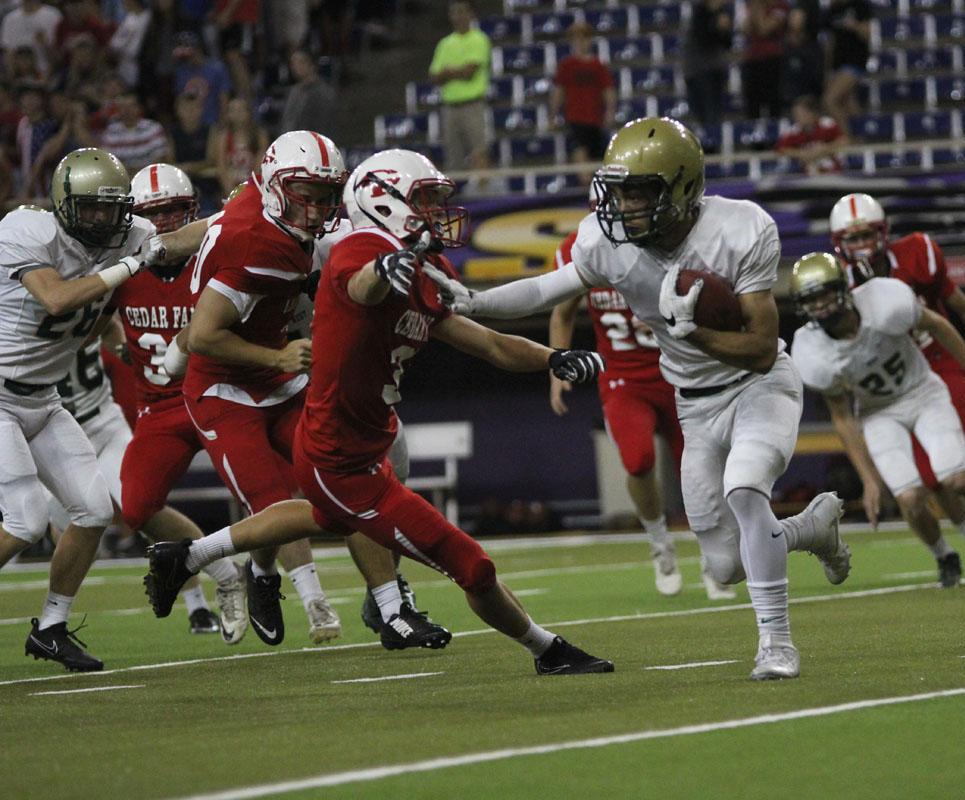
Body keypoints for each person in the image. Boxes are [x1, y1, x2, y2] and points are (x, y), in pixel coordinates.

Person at [146, 148, 614, 675]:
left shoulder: (417, 267)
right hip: (340, 456)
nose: (439, 214)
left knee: (323, 516)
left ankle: (186, 556)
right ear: (386, 203)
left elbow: (490, 344)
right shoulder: (359, 252)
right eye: (427, 202)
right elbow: (359, 284)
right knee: (472, 565)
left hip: (361, 437)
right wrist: (385, 266)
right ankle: (540, 648)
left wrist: (556, 358)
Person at [423, 117, 850, 681]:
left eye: (636, 193)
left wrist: (694, 333)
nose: (621, 207)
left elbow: (763, 350)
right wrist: (473, 303)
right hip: (693, 404)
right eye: (617, 192)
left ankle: (776, 644)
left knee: (746, 491)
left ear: (679, 189)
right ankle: (810, 529)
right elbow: (546, 289)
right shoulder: (605, 243)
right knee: (724, 565)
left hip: (759, 388)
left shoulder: (741, 229)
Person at [175, 131, 436, 649]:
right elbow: (202, 336)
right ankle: (262, 575)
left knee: (350, 476)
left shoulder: (295, 223)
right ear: (275, 187)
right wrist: (276, 354)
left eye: (325, 196)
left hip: (280, 371)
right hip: (225, 387)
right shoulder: (253, 237)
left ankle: (391, 609)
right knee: (270, 499)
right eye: (306, 195)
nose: (316, 209)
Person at [0, 147, 156, 672]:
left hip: (44, 398)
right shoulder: (27, 230)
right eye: (91, 208)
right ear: (65, 205)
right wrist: (132, 266)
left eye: (112, 208)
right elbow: (58, 300)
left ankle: (50, 627)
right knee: (25, 521)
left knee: (94, 509)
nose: (103, 219)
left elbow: (94, 316)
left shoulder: (131, 235)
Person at [790, 253, 965, 585]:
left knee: (958, 480)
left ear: (842, 289)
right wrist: (868, 480)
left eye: (824, 293)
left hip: (922, 392)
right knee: (909, 497)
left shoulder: (884, 302)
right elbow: (842, 417)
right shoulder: (811, 350)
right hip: (879, 412)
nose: (820, 305)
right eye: (811, 299)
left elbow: (939, 326)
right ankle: (943, 555)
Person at [828, 192, 965, 561]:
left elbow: (963, 310)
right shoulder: (839, 286)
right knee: (930, 474)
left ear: (884, 232)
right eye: (851, 239)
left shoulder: (917, 254)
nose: (860, 246)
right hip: (893, 379)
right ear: (838, 244)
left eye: (866, 235)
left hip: (939, 359)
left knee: (956, 452)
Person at [98, 163, 249, 640]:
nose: (163, 224)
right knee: (136, 507)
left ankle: (302, 595)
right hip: (160, 408)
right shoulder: (119, 266)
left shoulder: (215, 257)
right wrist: (121, 340)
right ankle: (225, 572)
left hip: (222, 393)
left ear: (192, 212)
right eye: (152, 214)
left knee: (268, 495)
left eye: (173, 212)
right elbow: (95, 312)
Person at [548, 223, 735, 600]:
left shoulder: (667, 237)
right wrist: (558, 366)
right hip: (624, 378)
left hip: (680, 370)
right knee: (637, 459)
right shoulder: (582, 246)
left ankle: (711, 555)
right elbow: (562, 311)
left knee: (701, 471)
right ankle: (660, 544)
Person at [428, 0, 492, 176]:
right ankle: (455, 197)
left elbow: (469, 72)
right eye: (454, 12)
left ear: (471, 14)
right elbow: (434, 77)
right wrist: (455, 71)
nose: (458, 16)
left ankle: (483, 196)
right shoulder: (444, 43)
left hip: (473, 105)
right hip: (449, 107)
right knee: (452, 157)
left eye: (462, 12)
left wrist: (448, 71)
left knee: (479, 152)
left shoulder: (479, 39)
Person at [551, 22, 615, 176]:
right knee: (581, 160)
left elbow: (608, 91)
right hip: (575, 118)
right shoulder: (567, 65)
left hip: (595, 119)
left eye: (583, 38)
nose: (579, 43)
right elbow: (558, 91)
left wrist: (610, 112)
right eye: (575, 39)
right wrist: (552, 115)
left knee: (596, 161)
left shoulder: (598, 66)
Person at [823, 0, 872, 136]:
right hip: (838, 65)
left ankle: (847, 137)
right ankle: (861, 137)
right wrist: (827, 71)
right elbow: (830, 43)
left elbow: (867, 33)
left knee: (829, 100)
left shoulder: (859, 6)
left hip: (854, 62)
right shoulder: (831, 11)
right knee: (849, 101)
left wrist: (854, 25)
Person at [682, 0, 733, 126]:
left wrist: (724, 30)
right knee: (701, 114)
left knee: (713, 114)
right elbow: (703, 38)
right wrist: (717, 27)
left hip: (714, 70)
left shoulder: (723, 14)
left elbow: (727, 43)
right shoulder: (700, 13)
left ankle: (712, 143)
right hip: (698, 70)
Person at [208, 96, 267, 198]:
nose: (237, 114)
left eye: (241, 109)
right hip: (230, 187)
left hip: (254, 188)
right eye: (233, 110)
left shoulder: (259, 136)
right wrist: (232, 195)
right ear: (228, 114)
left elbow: (259, 167)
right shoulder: (223, 137)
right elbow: (221, 167)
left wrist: (251, 192)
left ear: (248, 112)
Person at [741, 0, 789, 120]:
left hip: (772, 60)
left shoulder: (780, 6)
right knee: (752, 102)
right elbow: (745, 30)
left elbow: (764, 28)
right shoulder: (754, 5)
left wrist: (758, 9)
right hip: (753, 59)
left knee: (773, 101)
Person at [775, 96, 845, 175]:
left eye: (800, 114)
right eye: (795, 115)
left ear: (812, 113)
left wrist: (825, 149)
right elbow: (780, 148)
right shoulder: (794, 130)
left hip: (832, 173)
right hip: (806, 176)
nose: (797, 118)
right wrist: (801, 153)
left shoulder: (827, 124)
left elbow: (844, 141)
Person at [280, 49, 336, 137]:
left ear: (311, 65)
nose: (296, 67)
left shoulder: (325, 92)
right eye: (293, 64)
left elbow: (324, 124)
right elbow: (287, 121)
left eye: (301, 62)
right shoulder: (294, 92)